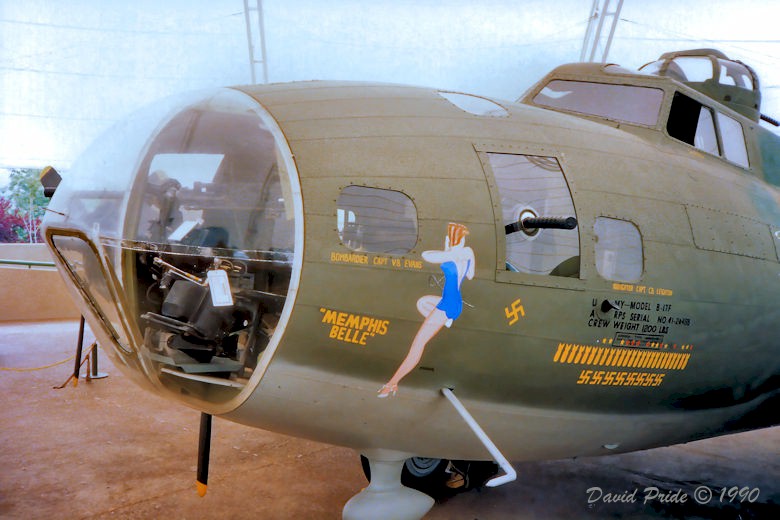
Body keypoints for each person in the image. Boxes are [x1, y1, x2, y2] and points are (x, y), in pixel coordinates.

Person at [378, 223, 475, 398]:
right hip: (450, 301)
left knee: (418, 344)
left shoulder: (464, 252)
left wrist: (452, 252)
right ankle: (446, 320)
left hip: (448, 304)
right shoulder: (459, 252)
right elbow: (469, 274)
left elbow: (429, 256)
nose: (455, 241)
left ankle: (392, 383)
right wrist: (451, 251)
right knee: (422, 303)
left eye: (456, 237)